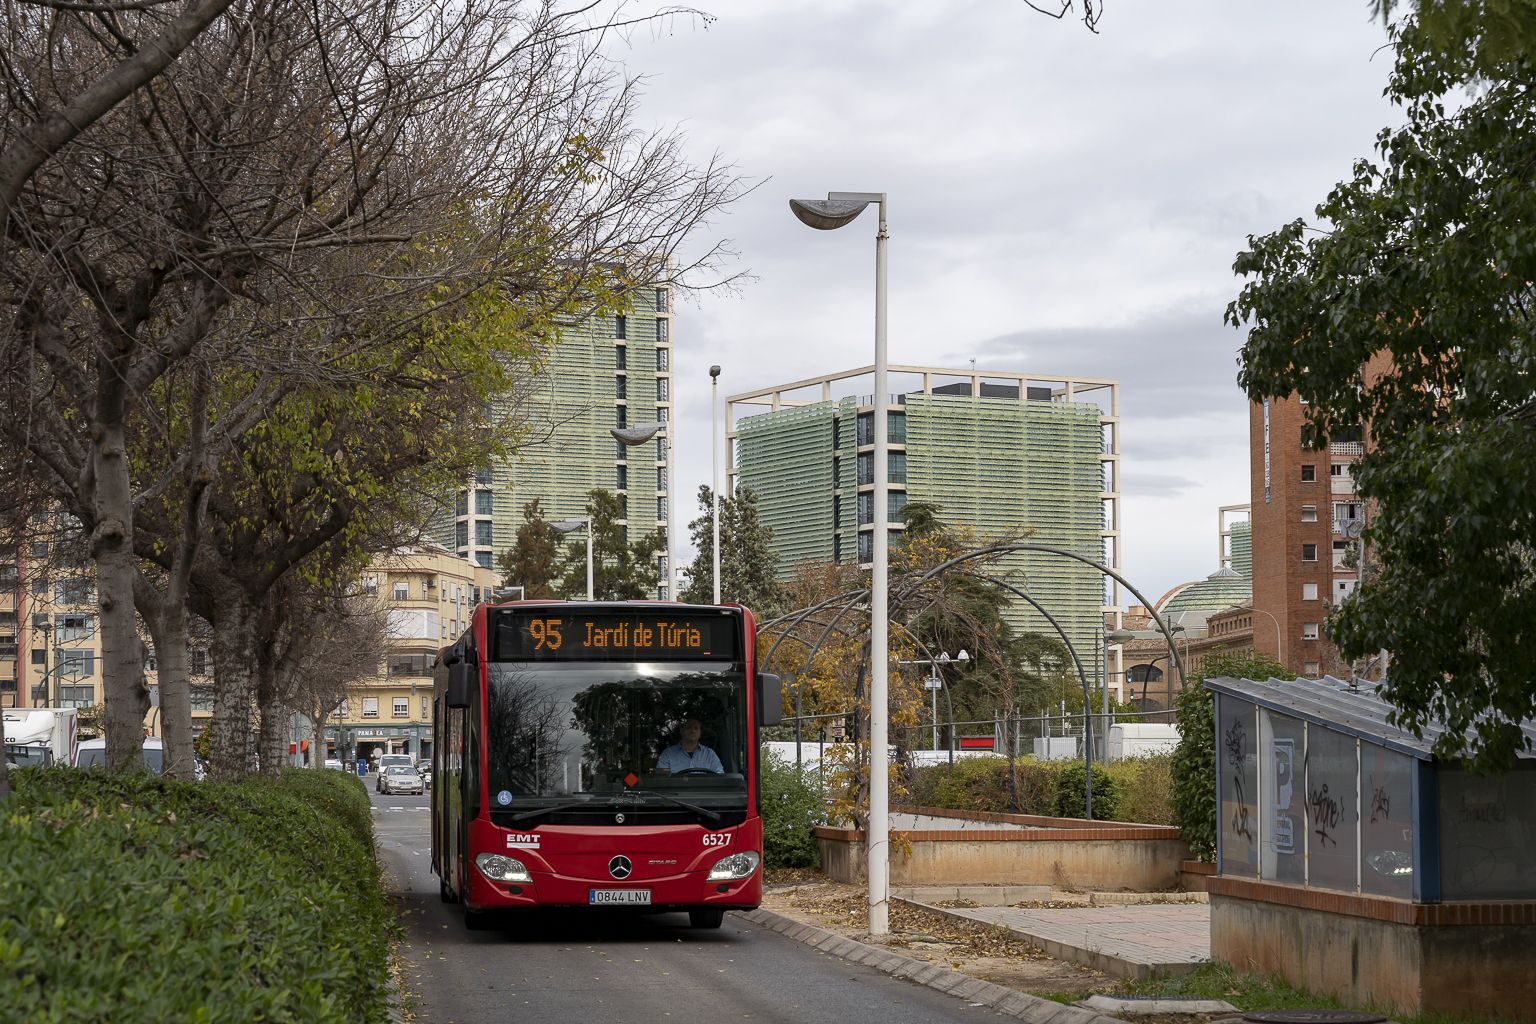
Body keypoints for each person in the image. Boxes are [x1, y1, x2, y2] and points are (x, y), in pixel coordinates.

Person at [657, 719, 724, 774]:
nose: (692, 731)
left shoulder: (710, 754)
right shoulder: (667, 754)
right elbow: (661, 776)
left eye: (696, 728)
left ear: (700, 733)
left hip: (704, 790)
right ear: (681, 731)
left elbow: (720, 775)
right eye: (689, 727)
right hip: (676, 790)